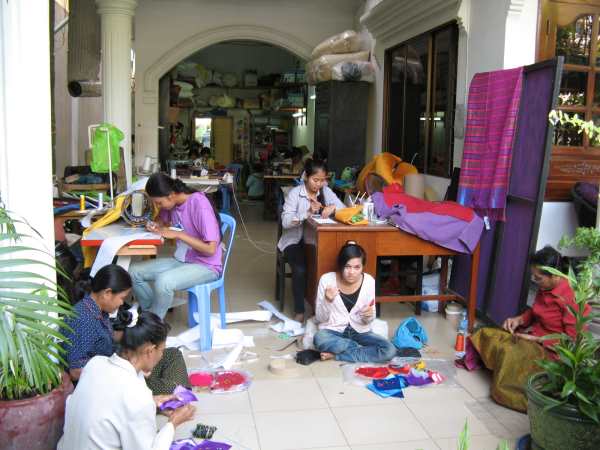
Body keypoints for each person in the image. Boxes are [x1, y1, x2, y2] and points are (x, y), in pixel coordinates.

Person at [466, 246, 590, 412]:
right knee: (485, 333)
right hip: (532, 337)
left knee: (510, 352)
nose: (534, 280)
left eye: (538, 278)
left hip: (552, 353)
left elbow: (572, 341)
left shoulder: (572, 297)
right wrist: (518, 320)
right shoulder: (546, 287)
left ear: (554, 276)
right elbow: (534, 312)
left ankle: (510, 395)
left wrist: (538, 340)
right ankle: (497, 370)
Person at [58, 311, 195, 450]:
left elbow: (111, 403)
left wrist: (154, 401)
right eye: (161, 350)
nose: (162, 356)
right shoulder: (137, 396)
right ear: (150, 350)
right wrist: (173, 423)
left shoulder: (95, 363)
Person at [63, 264, 190, 395]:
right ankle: (173, 397)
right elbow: (76, 372)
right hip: (105, 383)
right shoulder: (82, 320)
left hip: (118, 365)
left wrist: (139, 334)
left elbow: (107, 336)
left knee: (172, 354)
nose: (122, 303)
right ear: (107, 293)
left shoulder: (97, 310)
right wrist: (127, 368)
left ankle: (171, 397)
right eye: (122, 298)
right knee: (172, 388)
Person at [129, 173, 222, 318]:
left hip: (206, 265)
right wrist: (155, 225)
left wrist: (179, 235)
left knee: (163, 282)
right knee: (132, 272)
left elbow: (211, 249)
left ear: (171, 195)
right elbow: (161, 220)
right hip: (181, 260)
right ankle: (150, 316)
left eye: (159, 203)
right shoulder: (173, 204)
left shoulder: (199, 205)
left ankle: (153, 327)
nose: (159, 206)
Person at [278, 159, 345, 322]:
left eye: (323, 180)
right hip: (294, 240)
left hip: (317, 241)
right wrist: (306, 213)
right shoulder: (295, 193)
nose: (319, 184)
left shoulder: (326, 192)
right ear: (306, 177)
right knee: (301, 269)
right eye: (316, 180)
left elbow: (344, 208)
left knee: (326, 265)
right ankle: (299, 310)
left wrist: (333, 208)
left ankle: (321, 309)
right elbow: (286, 222)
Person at [313, 242, 397, 363]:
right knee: (319, 338)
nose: (351, 272)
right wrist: (328, 300)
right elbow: (321, 318)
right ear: (341, 265)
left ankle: (337, 355)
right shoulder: (326, 280)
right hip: (333, 331)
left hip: (360, 331)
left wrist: (369, 316)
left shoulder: (369, 281)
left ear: (363, 267)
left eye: (357, 267)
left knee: (389, 350)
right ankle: (360, 350)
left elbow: (369, 319)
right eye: (347, 266)